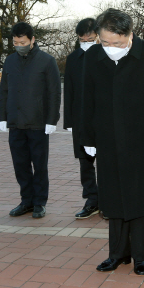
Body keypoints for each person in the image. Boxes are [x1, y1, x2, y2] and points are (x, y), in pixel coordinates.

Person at [81, 8, 144, 276]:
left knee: (141, 198)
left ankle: (141, 257)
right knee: (113, 197)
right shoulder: (94, 57)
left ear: (130, 35)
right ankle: (117, 254)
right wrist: (87, 137)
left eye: (117, 43)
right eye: (105, 42)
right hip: (107, 138)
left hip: (143, 139)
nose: (111, 48)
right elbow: (86, 100)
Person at [0, 22, 61, 219]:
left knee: (39, 165)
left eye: (22, 42)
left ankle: (40, 202)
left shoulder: (47, 61)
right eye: (15, 42)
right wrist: (2, 117)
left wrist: (52, 119)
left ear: (32, 40)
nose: (19, 45)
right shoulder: (9, 61)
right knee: (20, 164)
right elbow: (4, 91)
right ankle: (26, 201)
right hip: (16, 122)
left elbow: (54, 92)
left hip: (38, 123)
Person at [63, 17, 103, 219]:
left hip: (103, 118)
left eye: (89, 38)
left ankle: (108, 201)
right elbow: (68, 91)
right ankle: (92, 200)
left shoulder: (106, 55)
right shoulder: (73, 59)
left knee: (106, 162)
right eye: (82, 39)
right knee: (85, 163)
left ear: (97, 36)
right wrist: (69, 122)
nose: (85, 42)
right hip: (80, 119)